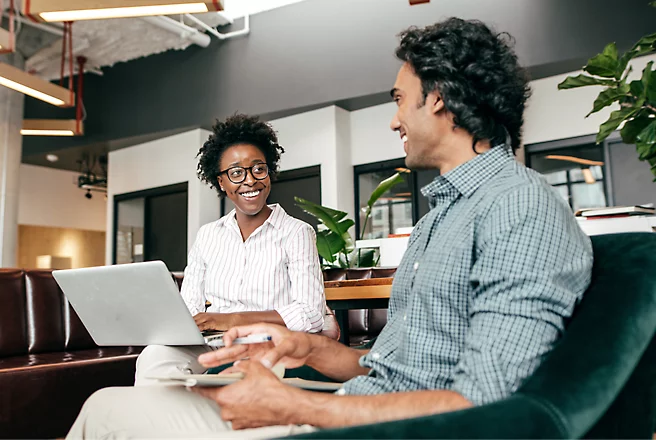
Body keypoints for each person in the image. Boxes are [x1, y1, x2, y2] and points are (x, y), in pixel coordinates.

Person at [67, 18, 593, 439]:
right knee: (120, 400)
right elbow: (394, 365)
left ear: (438, 99)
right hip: (347, 408)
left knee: (106, 411)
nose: (394, 121)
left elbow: (484, 403)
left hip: (358, 426)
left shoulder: (519, 208)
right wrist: (309, 350)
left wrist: (294, 404)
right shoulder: (444, 215)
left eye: (397, 99)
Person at [134, 114, 326, 385]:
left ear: (269, 171)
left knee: (232, 375)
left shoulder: (297, 232)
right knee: (155, 358)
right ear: (221, 182)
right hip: (211, 344)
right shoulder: (208, 235)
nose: (250, 181)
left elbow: (310, 313)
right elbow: (190, 306)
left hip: (266, 345)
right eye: (236, 173)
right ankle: (171, 424)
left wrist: (232, 320)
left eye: (258, 169)